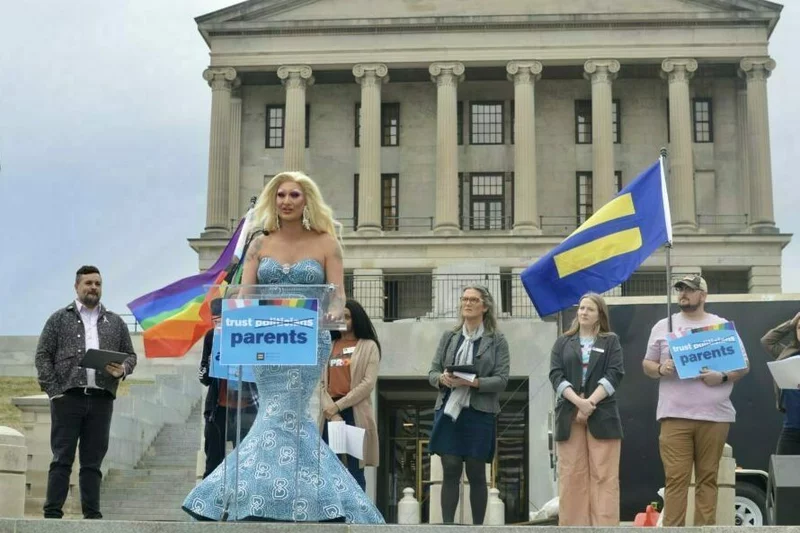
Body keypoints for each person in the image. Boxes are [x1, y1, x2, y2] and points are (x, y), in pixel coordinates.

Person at [182, 171, 384, 523]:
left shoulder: (326, 243)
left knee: (283, 414)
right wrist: (231, 319)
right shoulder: (259, 245)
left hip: (306, 339)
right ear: (272, 201)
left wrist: (332, 314)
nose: (287, 201)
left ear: (307, 200)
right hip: (267, 339)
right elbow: (246, 294)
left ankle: (230, 497)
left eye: (294, 195)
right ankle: (299, 500)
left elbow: (338, 296)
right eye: (280, 195)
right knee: (280, 416)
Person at [642, 275, 749, 526]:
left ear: (703, 295)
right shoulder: (663, 325)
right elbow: (647, 364)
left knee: (707, 479)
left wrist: (721, 376)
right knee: (675, 480)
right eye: (680, 289)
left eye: (690, 290)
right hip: (674, 416)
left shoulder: (720, 325)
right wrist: (660, 369)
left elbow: (743, 365)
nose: (683, 294)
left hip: (714, 416)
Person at [34, 265, 137, 519]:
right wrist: (55, 391)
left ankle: (92, 516)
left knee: (93, 463)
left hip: (101, 400)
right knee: (62, 458)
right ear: (77, 286)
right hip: (67, 398)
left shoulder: (115, 322)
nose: (93, 288)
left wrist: (122, 369)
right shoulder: (59, 319)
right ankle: (52, 514)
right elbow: (43, 356)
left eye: (98, 284)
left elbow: (131, 356)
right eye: (88, 283)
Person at [427, 285, 510, 525]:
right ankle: (447, 527)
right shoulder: (450, 337)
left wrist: (475, 382)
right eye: (464, 299)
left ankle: (477, 528)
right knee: (450, 467)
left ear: (485, 307)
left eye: (473, 299)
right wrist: (441, 378)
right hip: (450, 409)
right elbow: (432, 371)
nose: (467, 303)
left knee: (475, 470)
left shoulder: (496, 340)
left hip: (479, 411)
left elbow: (502, 380)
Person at [549, 292, 624, 526]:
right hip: (569, 415)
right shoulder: (563, 341)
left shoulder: (610, 341)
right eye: (581, 308)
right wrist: (578, 402)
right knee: (571, 476)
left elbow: (615, 373)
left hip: (602, 414)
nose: (583, 312)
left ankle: (605, 527)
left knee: (604, 475)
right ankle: (573, 527)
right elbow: (555, 374)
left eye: (589, 309)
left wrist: (590, 402)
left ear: (599, 314)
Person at [320, 299, 381, 491]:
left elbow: (367, 384)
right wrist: (331, 409)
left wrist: (339, 406)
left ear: (356, 319)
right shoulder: (329, 345)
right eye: (339, 316)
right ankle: (334, 515)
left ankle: (360, 516)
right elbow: (320, 383)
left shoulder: (369, 346)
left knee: (355, 470)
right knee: (330, 468)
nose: (343, 320)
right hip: (330, 414)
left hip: (354, 413)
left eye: (347, 316)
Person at [197, 298, 258, 478]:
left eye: (222, 321)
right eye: (215, 322)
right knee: (213, 464)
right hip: (218, 409)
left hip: (247, 408)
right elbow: (204, 377)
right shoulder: (210, 337)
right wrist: (211, 365)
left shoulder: (249, 335)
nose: (219, 326)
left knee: (247, 465)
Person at [761, 311, 800, 455]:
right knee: (784, 473)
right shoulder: (787, 353)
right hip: (791, 428)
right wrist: (790, 324)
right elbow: (767, 341)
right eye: (799, 328)